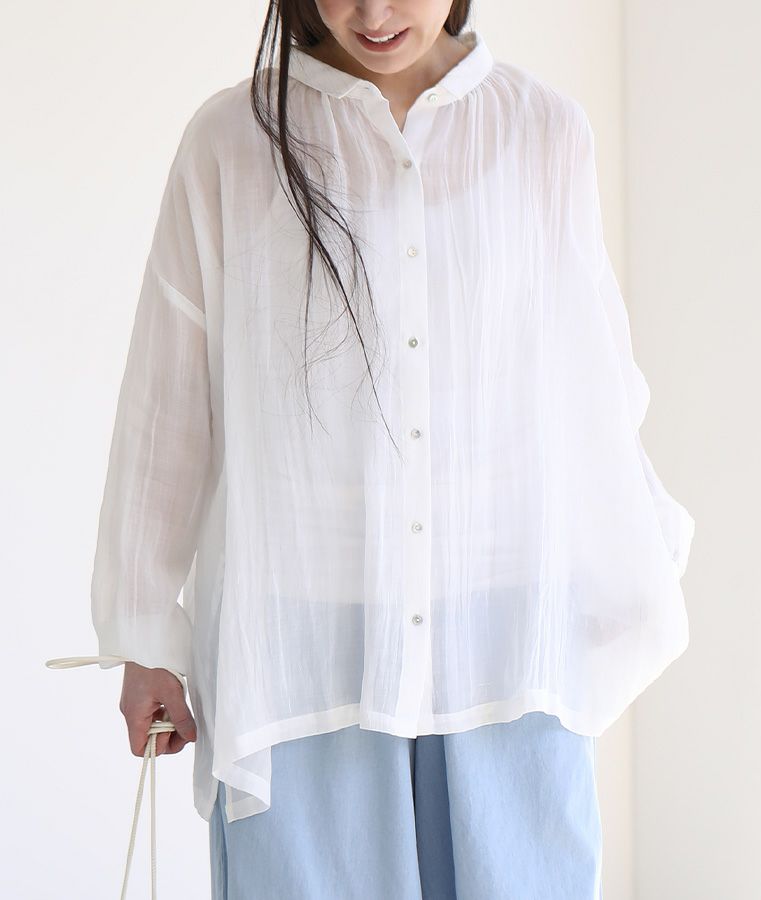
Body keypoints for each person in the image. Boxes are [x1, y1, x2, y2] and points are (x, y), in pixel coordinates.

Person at [50, 1, 696, 897]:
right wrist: (145, 630)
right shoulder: (232, 142)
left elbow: (591, 375)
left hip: (503, 637)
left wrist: (631, 558)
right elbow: (169, 397)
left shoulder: (543, 131)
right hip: (300, 645)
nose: (374, 11)